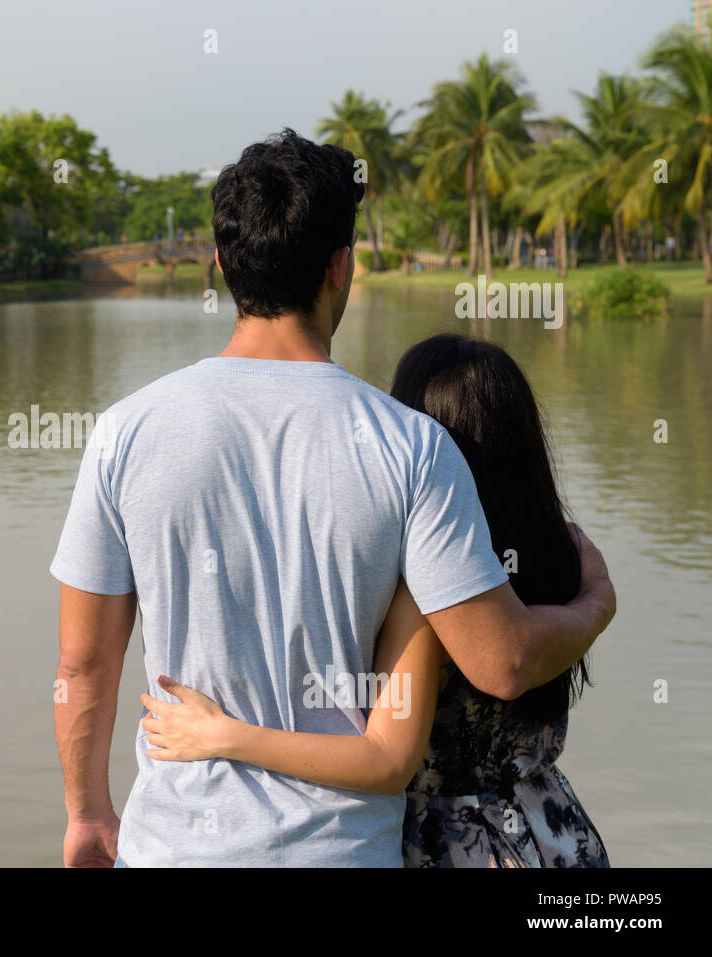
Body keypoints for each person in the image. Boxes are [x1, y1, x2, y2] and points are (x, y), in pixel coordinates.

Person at [50, 130, 615, 867]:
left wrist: (89, 812)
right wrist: (596, 602)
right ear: (340, 268)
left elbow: (82, 666)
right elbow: (500, 660)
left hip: (172, 848)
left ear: (220, 264)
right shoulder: (412, 447)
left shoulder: (125, 432)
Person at [141, 334, 609, 867]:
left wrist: (225, 735)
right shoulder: (561, 554)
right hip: (553, 830)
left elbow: (389, 757)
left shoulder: (429, 590)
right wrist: (596, 603)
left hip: (448, 845)